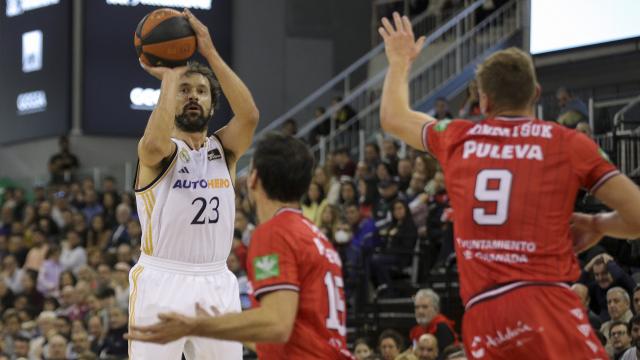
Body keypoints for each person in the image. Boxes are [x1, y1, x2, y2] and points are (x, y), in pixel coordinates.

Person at [378, 12, 640, 359]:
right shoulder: (566, 142)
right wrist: (597, 223)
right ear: (535, 93)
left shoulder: (457, 137)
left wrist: (399, 61)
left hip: (485, 315)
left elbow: (393, 117)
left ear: (483, 101)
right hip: (543, 301)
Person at [127, 133, 352, 359]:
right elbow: (287, 331)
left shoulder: (276, 233)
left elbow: (277, 325)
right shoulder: (315, 235)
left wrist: (196, 326)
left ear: (253, 179)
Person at [128, 9, 259, 360]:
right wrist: (172, 75)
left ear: (212, 104)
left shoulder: (224, 150)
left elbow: (249, 116)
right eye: (185, 90)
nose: (193, 96)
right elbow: (153, 145)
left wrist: (210, 52)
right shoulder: (160, 152)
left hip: (216, 280)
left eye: (201, 91)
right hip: (161, 278)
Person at [410, 289, 458, 353]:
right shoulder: (417, 330)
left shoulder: (442, 328)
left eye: (425, 307)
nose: (420, 311)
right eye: (417, 307)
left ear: (436, 309)